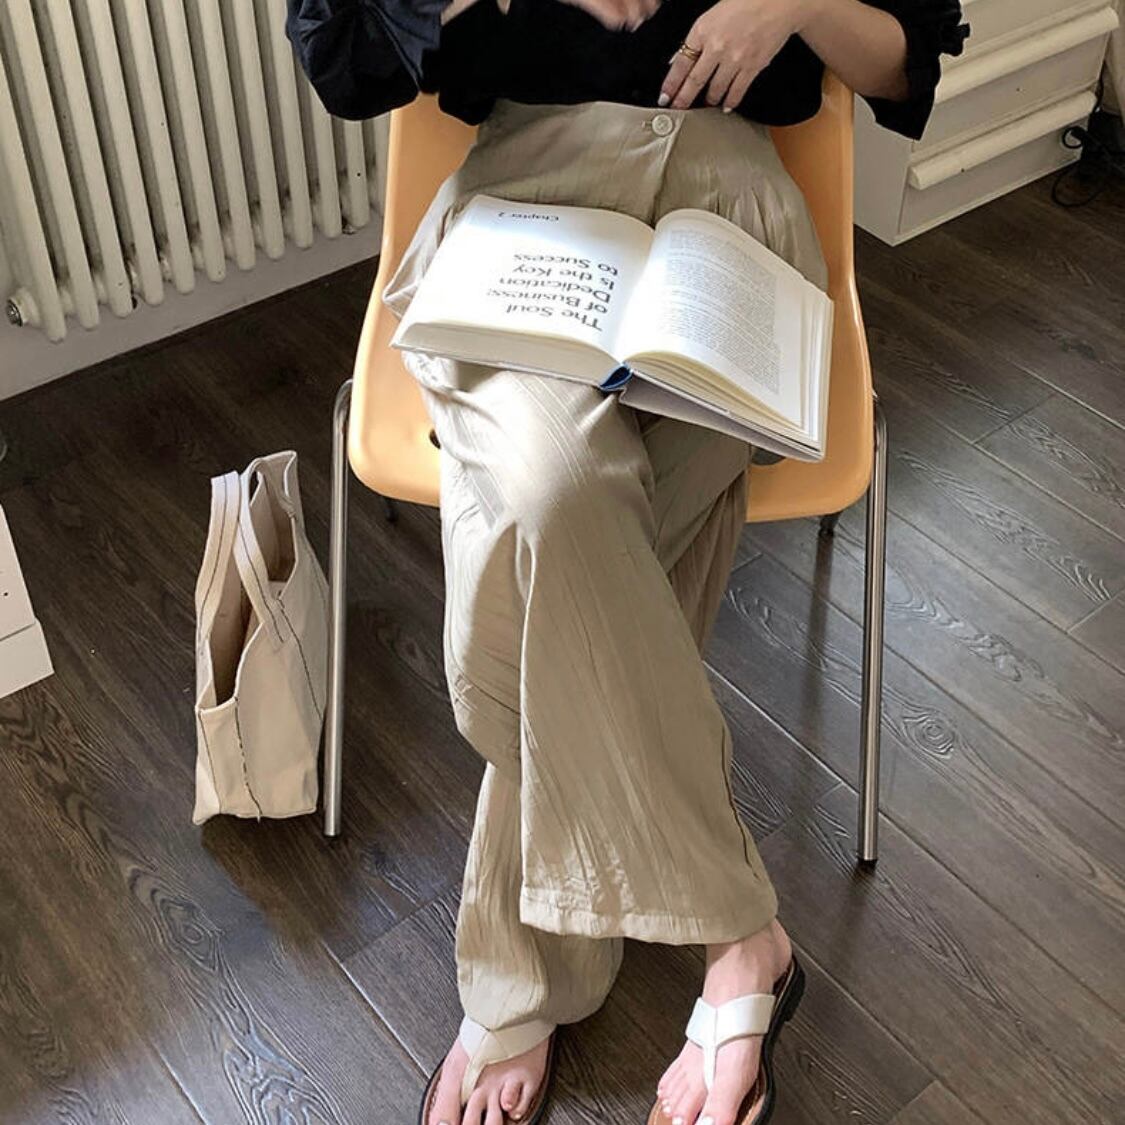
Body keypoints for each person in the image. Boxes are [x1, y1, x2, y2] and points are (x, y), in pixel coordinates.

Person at [286, 3, 970, 1123]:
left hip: (734, 225)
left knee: (556, 574)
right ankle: (739, 936)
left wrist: (788, 3)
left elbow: (905, 67)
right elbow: (341, 53)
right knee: (561, 502)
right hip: (524, 212)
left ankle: (520, 983)